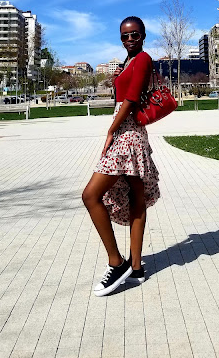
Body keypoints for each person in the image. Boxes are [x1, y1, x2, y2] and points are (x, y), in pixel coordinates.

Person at [82, 16, 160, 296]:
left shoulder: (142, 60)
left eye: (135, 35)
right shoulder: (127, 62)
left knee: (90, 195)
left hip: (127, 134)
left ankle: (116, 263)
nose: (129, 40)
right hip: (128, 132)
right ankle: (135, 267)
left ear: (143, 35)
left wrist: (110, 132)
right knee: (135, 198)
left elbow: (129, 100)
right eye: (124, 36)